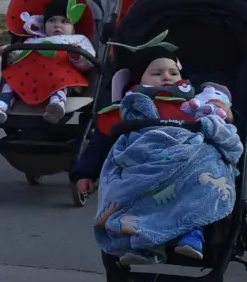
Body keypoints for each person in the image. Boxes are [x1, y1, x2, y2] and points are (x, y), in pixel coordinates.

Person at [73, 48, 240, 266]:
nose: (166, 77)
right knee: (128, 186)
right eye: (157, 73)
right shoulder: (131, 104)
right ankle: (145, 242)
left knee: (207, 170)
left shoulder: (194, 103)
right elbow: (103, 141)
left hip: (191, 159)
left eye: (173, 72)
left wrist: (224, 117)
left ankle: (193, 232)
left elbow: (219, 129)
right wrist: (85, 172)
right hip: (145, 159)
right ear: (140, 78)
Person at [0, 0, 95, 125]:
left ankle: (57, 104)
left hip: (60, 76)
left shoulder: (78, 40)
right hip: (29, 78)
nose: (57, 25)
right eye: (52, 21)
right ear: (44, 23)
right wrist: (10, 50)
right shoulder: (35, 40)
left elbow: (89, 61)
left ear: (73, 28)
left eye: (64, 21)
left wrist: (76, 55)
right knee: (12, 82)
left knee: (60, 82)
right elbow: (20, 55)